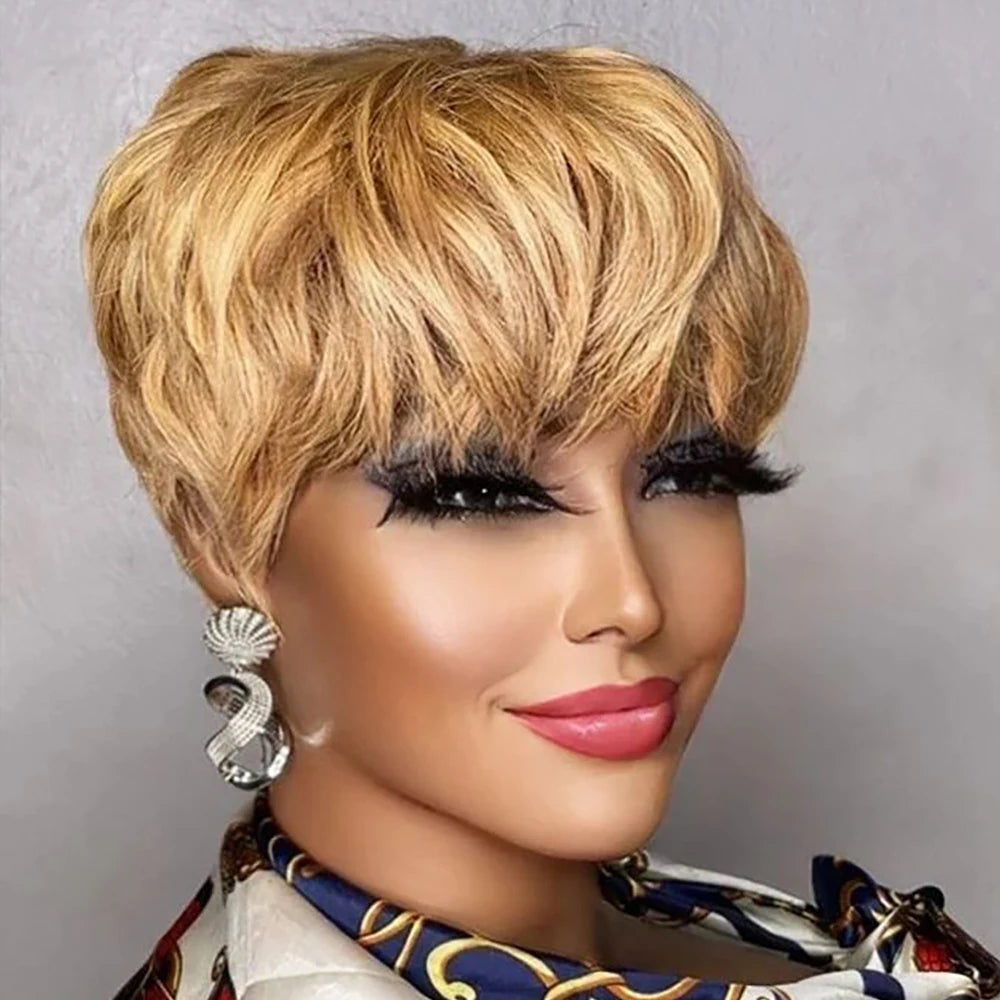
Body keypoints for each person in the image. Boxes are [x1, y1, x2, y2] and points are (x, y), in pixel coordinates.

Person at [83, 34, 998, 1000]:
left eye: (689, 475)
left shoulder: (736, 936)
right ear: (222, 537)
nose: (632, 601)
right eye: (479, 494)